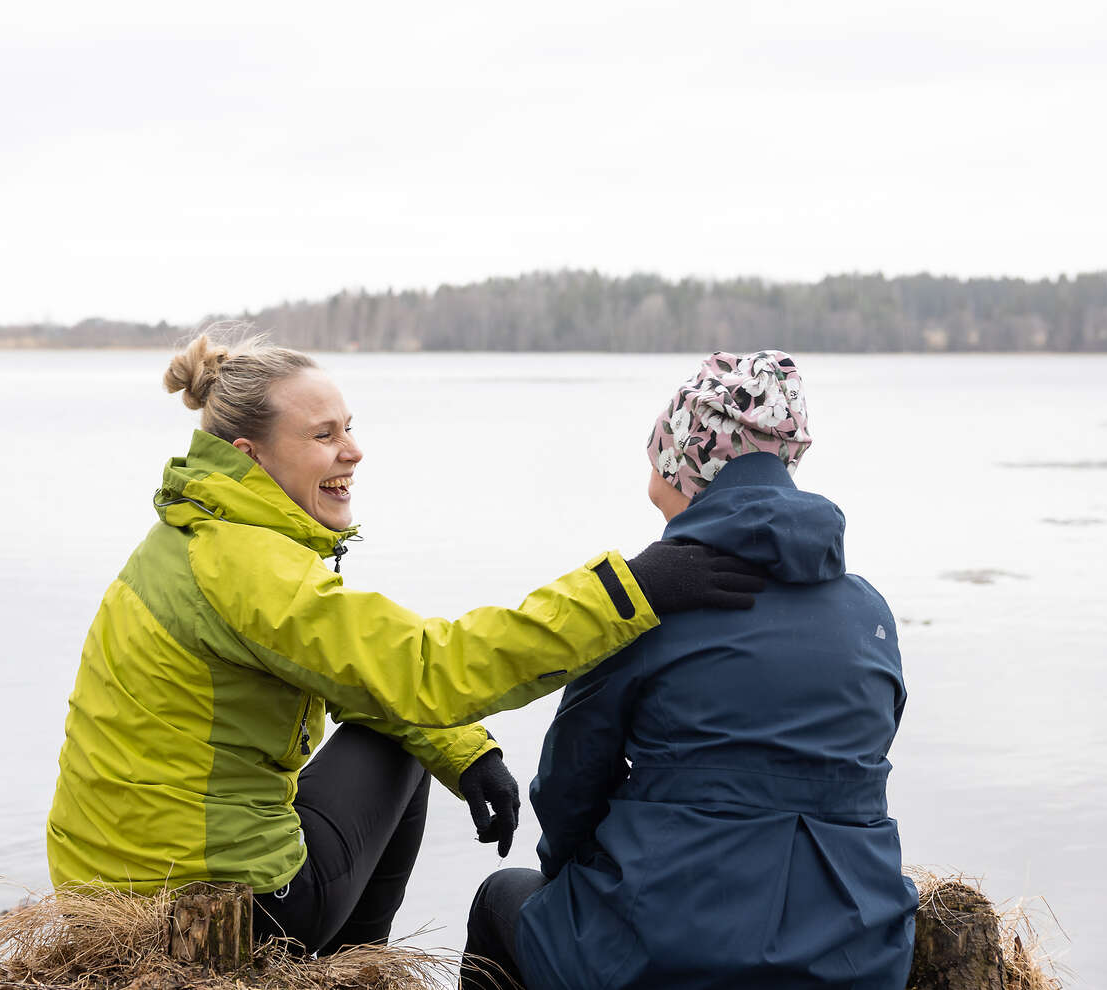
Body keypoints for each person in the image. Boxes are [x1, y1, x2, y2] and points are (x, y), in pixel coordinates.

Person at [46, 327, 767, 955]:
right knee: (403, 737)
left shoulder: (191, 535)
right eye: (324, 436)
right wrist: (629, 591)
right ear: (251, 455)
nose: (354, 451)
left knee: (421, 729)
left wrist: (467, 751)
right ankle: (350, 968)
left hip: (114, 888)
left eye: (349, 427)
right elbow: (428, 668)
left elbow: (360, 670)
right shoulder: (246, 564)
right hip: (216, 911)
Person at [462, 350, 916, 989]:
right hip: (858, 953)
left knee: (500, 899)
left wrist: (569, 873)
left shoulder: (653, 600)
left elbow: (569, 783)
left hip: (669, 952)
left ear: (685, 461)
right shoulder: (870, 613)